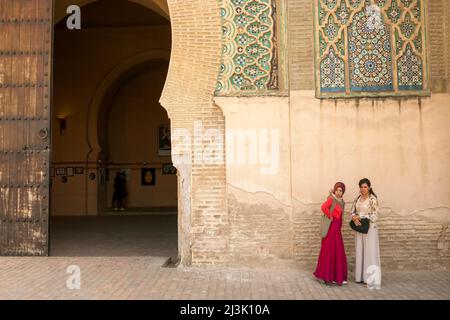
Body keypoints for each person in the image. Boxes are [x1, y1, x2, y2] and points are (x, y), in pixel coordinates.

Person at [314, 182, 348, 286]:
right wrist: (330, 216)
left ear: (343, 192)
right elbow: (323, 207)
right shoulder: (331, 199)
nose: (339, 192)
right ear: (334, 190)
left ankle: (336, 276)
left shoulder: (342, 202)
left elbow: (341, 215)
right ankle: (325, 276)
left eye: (341, 190)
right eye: (337, 190)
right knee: (329, 250)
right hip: (331, 228)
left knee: (337, 251)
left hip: (337, 229)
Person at [350, 178, 381, 289]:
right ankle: (361, 277)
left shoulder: (373, 199)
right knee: (360, 251)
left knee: (370, 252)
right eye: (361, 187)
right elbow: (352, 211)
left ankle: (372, 281)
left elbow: (375, 215)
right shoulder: (357, 198)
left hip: (370, 229)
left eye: (365, 187)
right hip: (359, 228)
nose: (363, 189)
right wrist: (354, 217)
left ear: (369, 187)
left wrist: (361, 216)